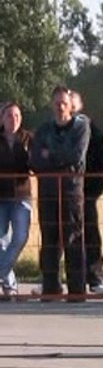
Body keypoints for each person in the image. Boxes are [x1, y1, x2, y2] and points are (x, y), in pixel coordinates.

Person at [29, 86, 89, 300]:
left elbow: (75, 155)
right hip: (48, 192)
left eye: (64, 103)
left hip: (71, 192)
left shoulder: (81, 127)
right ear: (51, 105)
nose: (60, 107)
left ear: (71, 105)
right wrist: (56, 157)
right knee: (50, 240)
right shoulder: (43, 130)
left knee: (73, 239)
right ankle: (51, 288)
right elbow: (35, 160)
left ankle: (77, 290)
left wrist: (50, 154)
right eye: (56, 103)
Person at [70, 91, 103, 294]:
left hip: (87, 192)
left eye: (74, 106)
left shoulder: (95, 132)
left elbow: (101, 163)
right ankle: (59, 278)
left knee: (91, 233)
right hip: (66, 191)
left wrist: (93, 190)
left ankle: (95, 277)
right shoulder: (58, 130)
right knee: (61, 235)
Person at [0, 102, 32, 300]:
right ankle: (9, 283)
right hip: (0, 197)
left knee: (20, 237)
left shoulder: (29, 138)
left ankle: (1, 273)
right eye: (10, 116)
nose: (14, 120)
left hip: (21, 195)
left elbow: (38, 161)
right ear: (2, 119)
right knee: (0, 241)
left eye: (17, 115)